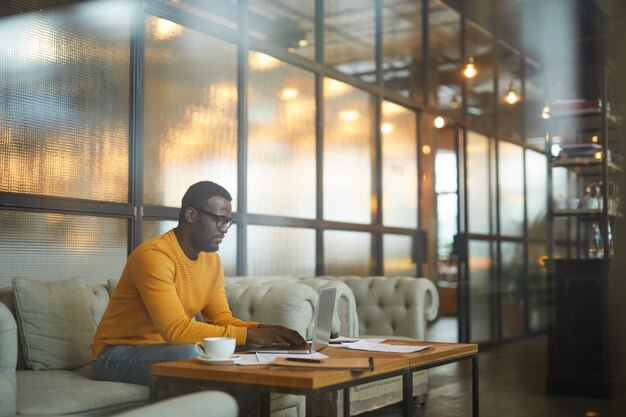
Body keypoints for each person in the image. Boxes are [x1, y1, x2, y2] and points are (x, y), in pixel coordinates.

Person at [92, 181, 305, 387]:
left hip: (167, 348)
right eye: (218, 220)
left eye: (227, 222)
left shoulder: (211, 260)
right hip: (115, 356)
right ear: (191, 215)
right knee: (192, 354)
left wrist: (263, 331)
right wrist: (248, 335)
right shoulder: (155, 256)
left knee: (249, 349)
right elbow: (176, 330)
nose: (224, 229)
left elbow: (221, 320)